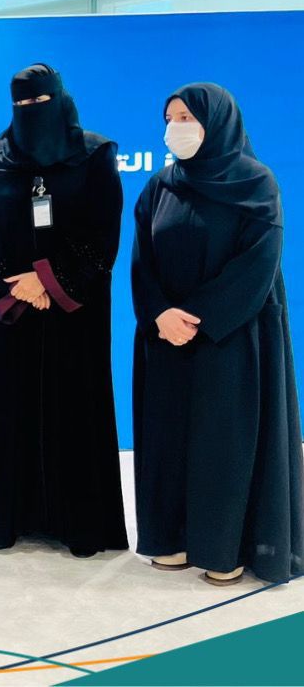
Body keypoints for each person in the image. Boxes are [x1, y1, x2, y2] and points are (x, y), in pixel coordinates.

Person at [132, 82, 304, 585]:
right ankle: (172, 538)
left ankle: (223, 547)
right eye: (170, 118)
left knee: (223, 444)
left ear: (218, 122)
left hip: (231, 338)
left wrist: (199, 318)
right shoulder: (161, 185)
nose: (176, 128)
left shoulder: (256, 183)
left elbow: (258, 263)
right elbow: (142, 259)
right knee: (168, 440)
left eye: (187, 118)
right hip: (166, 339)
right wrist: (160, 313)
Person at [0, 63, 128, 557]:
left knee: (75, 407)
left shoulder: (95, 155)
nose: (32, 111)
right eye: (22, 104)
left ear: (61, 99)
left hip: (75, 313)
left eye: (41, 101)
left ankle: (80, 525)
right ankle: (6, 520)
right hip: (13, 312)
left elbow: (104, 235)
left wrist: (50, 280)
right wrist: (14, 288)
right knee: (9, 409)